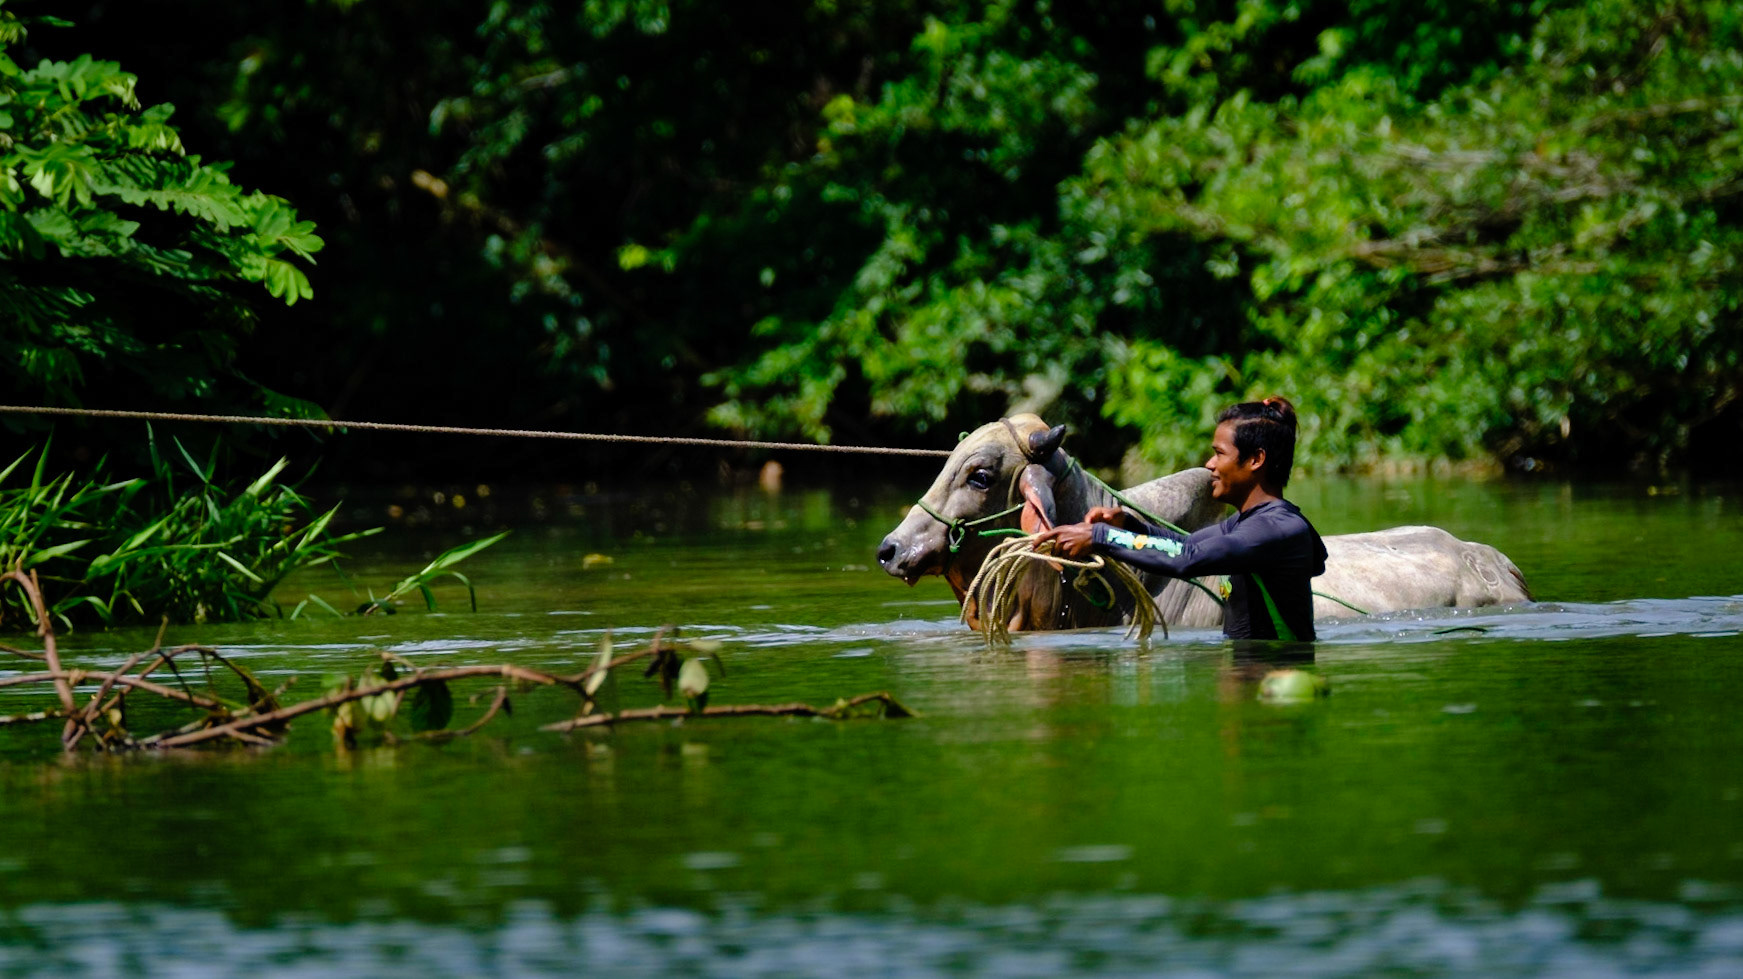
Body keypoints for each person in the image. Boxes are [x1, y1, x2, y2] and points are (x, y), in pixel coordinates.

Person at [1035, 397, 1328, 641]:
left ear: (1255, 460)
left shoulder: (1276, 529)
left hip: (1278, 687)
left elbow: (1188, 558)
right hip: (1250, 684)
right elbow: (1183, 545)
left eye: (1219, 454)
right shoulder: (1245, 524)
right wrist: (1129, 526)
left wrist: (1101, 538)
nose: (1210, 464)